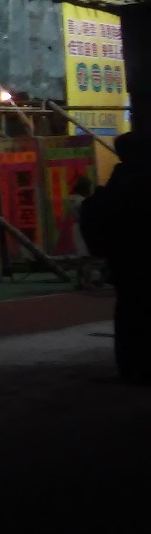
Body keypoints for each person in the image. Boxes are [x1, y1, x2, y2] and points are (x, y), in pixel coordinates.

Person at [78, 131, 150, 384]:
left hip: (122, 261)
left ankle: (131, 367)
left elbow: (94, 214)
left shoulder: (115, 184)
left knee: (128, 313)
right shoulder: (139, 182)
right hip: (137, 258)